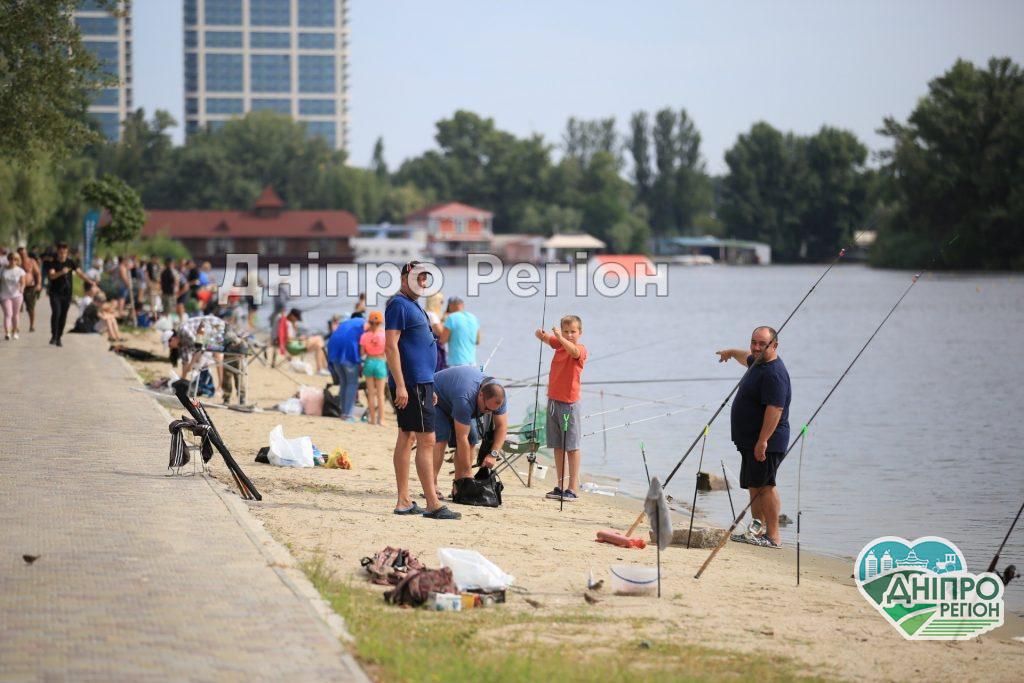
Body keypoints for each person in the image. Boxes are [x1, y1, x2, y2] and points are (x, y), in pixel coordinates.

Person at [385, 261, 459, 520]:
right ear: (405, 278)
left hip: (422, 383)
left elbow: (416, 346)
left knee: (408, 436)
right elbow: (391, 346)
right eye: (418, 278)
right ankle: (432, 503)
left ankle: (404, 501)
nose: (423, 283)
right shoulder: (398, 305)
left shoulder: (412, 305)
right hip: (412, 384)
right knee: (426, 440)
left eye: (426, 279)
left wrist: (430, 385)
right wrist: (402, 385)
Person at [716, 326, 792, 549]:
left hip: (767, 441)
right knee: (754, 484)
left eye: (763, 344)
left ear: (775, 346)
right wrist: (730, 352)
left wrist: (763, 440)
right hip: (750, 440)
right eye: (754, 342)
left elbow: (775, 409)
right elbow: (745, 357)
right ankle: (756, 531)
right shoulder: (759, 363)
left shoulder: (774, 373)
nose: (756, 348)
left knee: (766, 485)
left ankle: (773, 536)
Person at [534, 315, 588, 502]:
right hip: (553, 402)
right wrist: (542, 335)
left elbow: (572, 350)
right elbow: (550, 340)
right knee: (557, 446)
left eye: (573, 331)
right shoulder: (559, 344)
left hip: (569, 404)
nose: (569, 334)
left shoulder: (579, 349)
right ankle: (560, 485)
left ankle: (573, 488)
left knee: (571, 447)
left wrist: (560, 337)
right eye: (566, 331)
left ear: (580, 333)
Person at [432, 366, 508, 490]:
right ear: (481, 395)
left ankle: (459, 485)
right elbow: (461, 438)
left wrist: (493, 454)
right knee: (442, 439)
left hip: (456, 396)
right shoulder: (465, 398)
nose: (488, 413)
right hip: (437, 397)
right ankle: (432, 485)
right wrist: (468, 472)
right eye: (487, 409)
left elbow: (502, 427)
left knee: (472, 439)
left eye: (493, 411)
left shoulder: (498, 396)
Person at [45, 243, 95, 346]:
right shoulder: (53, 263)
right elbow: (52, 276)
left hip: (67, 294)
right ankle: (54, 336)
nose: (63, 254)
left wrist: (89, 281)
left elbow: (80, 273)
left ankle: (59, 337)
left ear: (67, 253)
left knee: (63, 316)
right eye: (61, 252)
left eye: (65, 252)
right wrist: (61, 272)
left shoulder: (71, 262)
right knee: (56, 313)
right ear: (58, 252)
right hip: (55, 293)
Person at [327, 313, 366, 421]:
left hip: (333, 351)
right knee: (352, 383)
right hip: (347, 353)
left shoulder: (345, 323)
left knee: (344, 382)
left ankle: (343, 412)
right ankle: (348, 414)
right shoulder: (363, 323)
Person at [277, 308, 327, 374]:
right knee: (319, 338)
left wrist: (296, 330)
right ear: (292, 316)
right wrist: (299, 339)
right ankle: (323, 369)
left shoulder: (290, 323)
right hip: (292, 347)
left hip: (294, 345)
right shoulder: (287, 323)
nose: (297, 320)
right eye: (296, 318)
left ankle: (321, 369)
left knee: (319, 345)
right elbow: (288, 339)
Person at [360, 310, 387, 426]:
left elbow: (362, 353)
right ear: (381, 322)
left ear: (369, 322)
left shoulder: (364, 336)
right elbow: (388, 351)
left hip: (369, 362)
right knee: (380, 394)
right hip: (380, 362)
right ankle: (381, 420)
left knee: (371, 393)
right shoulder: (384, 335)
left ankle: (372, 419)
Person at [441, 296, 480, 367]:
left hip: (456, 363)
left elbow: (443, 340)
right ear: (463, 305)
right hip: (472, 362)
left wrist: (442, 321)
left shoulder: (451, 318)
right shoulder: (474, 317)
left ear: (450, 306)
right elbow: (478, 341)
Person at [1, 252, 27, 340]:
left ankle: (15, 331)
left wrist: (22, 288)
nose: (13, 261)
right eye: (11, 258)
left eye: (15, 259)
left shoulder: (20, 271)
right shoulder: (2, 270)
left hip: (17, 295)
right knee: (8, 314)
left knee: (15, 314)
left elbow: (23, 283)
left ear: (18, 261)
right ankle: (7, 332)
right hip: (4, 295)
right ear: (8, 259)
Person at [17, 246, 42, 332]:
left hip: (30, 288)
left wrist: (39, 284)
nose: (22, 255)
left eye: (23, 253)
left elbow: (38, 273)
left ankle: (32, 325)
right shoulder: (16, 262)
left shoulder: (31, 261)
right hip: (18, 288)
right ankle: (16, 325)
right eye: (20, 254)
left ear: (26, 252)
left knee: (31, 308)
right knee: (17, 308)